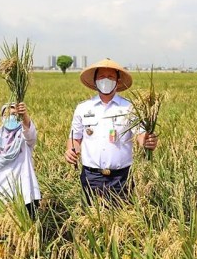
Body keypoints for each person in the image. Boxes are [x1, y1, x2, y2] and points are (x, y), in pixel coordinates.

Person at [64, 58, 158, 204]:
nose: (106, 80)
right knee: (90, 220)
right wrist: (70, 150)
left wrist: (147, 141)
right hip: (91, 177)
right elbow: (75, 138)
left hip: (121, 179)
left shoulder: (130, 108)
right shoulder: (83, 108)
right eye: (101, 77)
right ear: (95, 81)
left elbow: (140, 135)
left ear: (118, 81)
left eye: (111, 77)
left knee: (122, 221)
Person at [0, 102, 40, 219]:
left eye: (15, 115)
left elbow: (31, 135)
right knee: (3, 231)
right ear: (2, 117)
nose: (11, 117)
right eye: (7, 114)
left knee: (28, 230)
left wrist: (24, 115)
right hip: (1, 194)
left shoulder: (24, 138)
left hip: (25, 194)